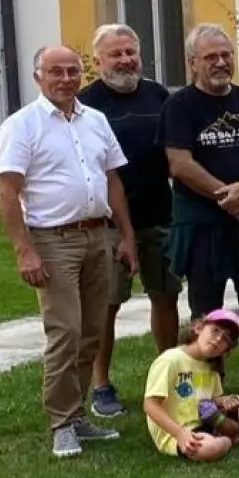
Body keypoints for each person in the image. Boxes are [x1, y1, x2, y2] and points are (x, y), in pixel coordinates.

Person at [0, 45, 136, 457]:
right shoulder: (23, 125)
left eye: (72, 71)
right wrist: (24, 250)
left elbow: (112, 180)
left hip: (98, 236)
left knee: (92, 331)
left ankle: (77, 417)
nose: (65, 78)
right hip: (52, 240)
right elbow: (7, 191)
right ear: (39, 76)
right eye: (55, 71)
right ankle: (61, 423)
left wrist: (126, 235)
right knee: (65, 332)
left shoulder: (95, 120)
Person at [159, 24, 239, 395]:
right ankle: (209, 383)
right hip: (203, 227)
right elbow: (179, 163)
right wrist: (228, 199)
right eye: (211, 57)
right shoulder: (178, 106)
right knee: (206, 310)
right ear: (192, 62)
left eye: (226, 55)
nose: (221, 62)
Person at [78, 24, 179, 417]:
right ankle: (101, 384)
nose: (125, 60)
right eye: (116, 54)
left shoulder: (157, 94)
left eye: (130, 52)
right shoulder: (87, 103)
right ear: (98, 60)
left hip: (160, 214)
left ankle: (166, 373)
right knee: (108, 304)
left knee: (165, 295)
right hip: (109, 223)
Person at [142, 310, 239, 461]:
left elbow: (210, 402)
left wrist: (224, 401)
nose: (217, 339)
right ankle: (230, 439)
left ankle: (228, 431)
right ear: (198, 328)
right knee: (211, 449)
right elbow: (150, 405)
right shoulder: (170, 360)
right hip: (179, 429)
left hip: (207, 420)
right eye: (215, 330)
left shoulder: (211, 366)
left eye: (225, 339)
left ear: (226, 350)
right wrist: (179, 433)